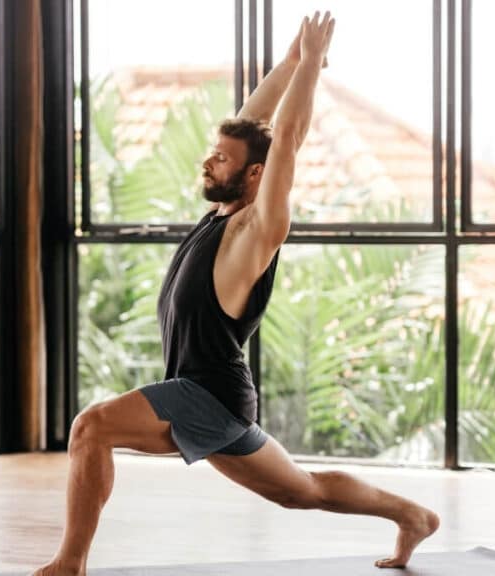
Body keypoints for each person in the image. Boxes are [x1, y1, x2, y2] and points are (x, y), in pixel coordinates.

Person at [33, 12, 439, 575]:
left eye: (222, 158)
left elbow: (286, 141)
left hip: (209, 395)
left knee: (90, 426)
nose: (209, 160)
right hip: (212, 395)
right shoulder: (224, 209)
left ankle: (69, 564)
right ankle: (412, 515)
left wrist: (313, 74)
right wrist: (298, 57)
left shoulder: (257, 230)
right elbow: (257, 119)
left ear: (254, 177)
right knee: (300, 490)